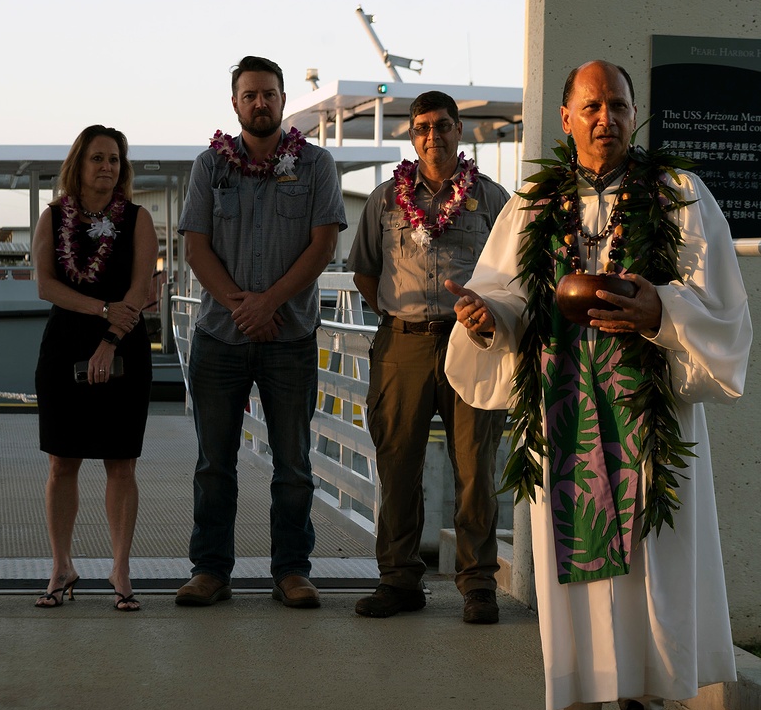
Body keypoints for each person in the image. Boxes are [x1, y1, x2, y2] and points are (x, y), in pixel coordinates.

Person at [445, 60, 751, 710]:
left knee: (647, 558)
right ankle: (578, 708)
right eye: (591, 106)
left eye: (617, 104)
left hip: (649, 407)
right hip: (567, 406)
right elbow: (505, 292)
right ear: (566, 118)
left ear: (635, 113)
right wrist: (486, 318)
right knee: (572, 561)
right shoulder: (531, 202)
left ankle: (643, 709)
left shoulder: (679, 195)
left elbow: (723, 309)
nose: (604, 118)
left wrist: (661, 309)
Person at [176, 55, 347, 609]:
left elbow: (323, 243)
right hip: (219, 338)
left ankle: (292, 571)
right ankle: (210, 571)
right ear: (235, 103)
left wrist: (269, 303)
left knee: (294, 465)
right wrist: (240, 306)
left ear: (282, 99)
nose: (260, 103)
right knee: (213, 465)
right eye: (249, 95)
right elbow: (195, 245)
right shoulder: (210, 166)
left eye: (269, 94)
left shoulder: (316, 165)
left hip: (289, 336)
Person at [346, 91, 509, 623]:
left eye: (442, 125)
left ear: (460, 130)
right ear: (411, 136)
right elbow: (366, 272)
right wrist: (402, 316)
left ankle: (478, 584)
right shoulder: (384, 200)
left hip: (472, 343)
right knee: (398, 464)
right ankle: (399, 580)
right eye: (421, 127)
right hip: (404, 346)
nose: (432, 135)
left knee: (475, 468)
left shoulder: (491, 199)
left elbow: (513, 276)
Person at [32, 125, 156, 611]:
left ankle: (120, 568)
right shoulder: (52, 217)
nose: (108, 167)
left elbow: (139, 289)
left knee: (120, 463)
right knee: (62, 462)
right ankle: (61, 565)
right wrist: (100, 312)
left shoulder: (138, 219)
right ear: (78, 165)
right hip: (65, 345)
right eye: (97, 159)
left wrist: (109, 339)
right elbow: (45, 285)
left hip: (123, 342)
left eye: (115, 160)